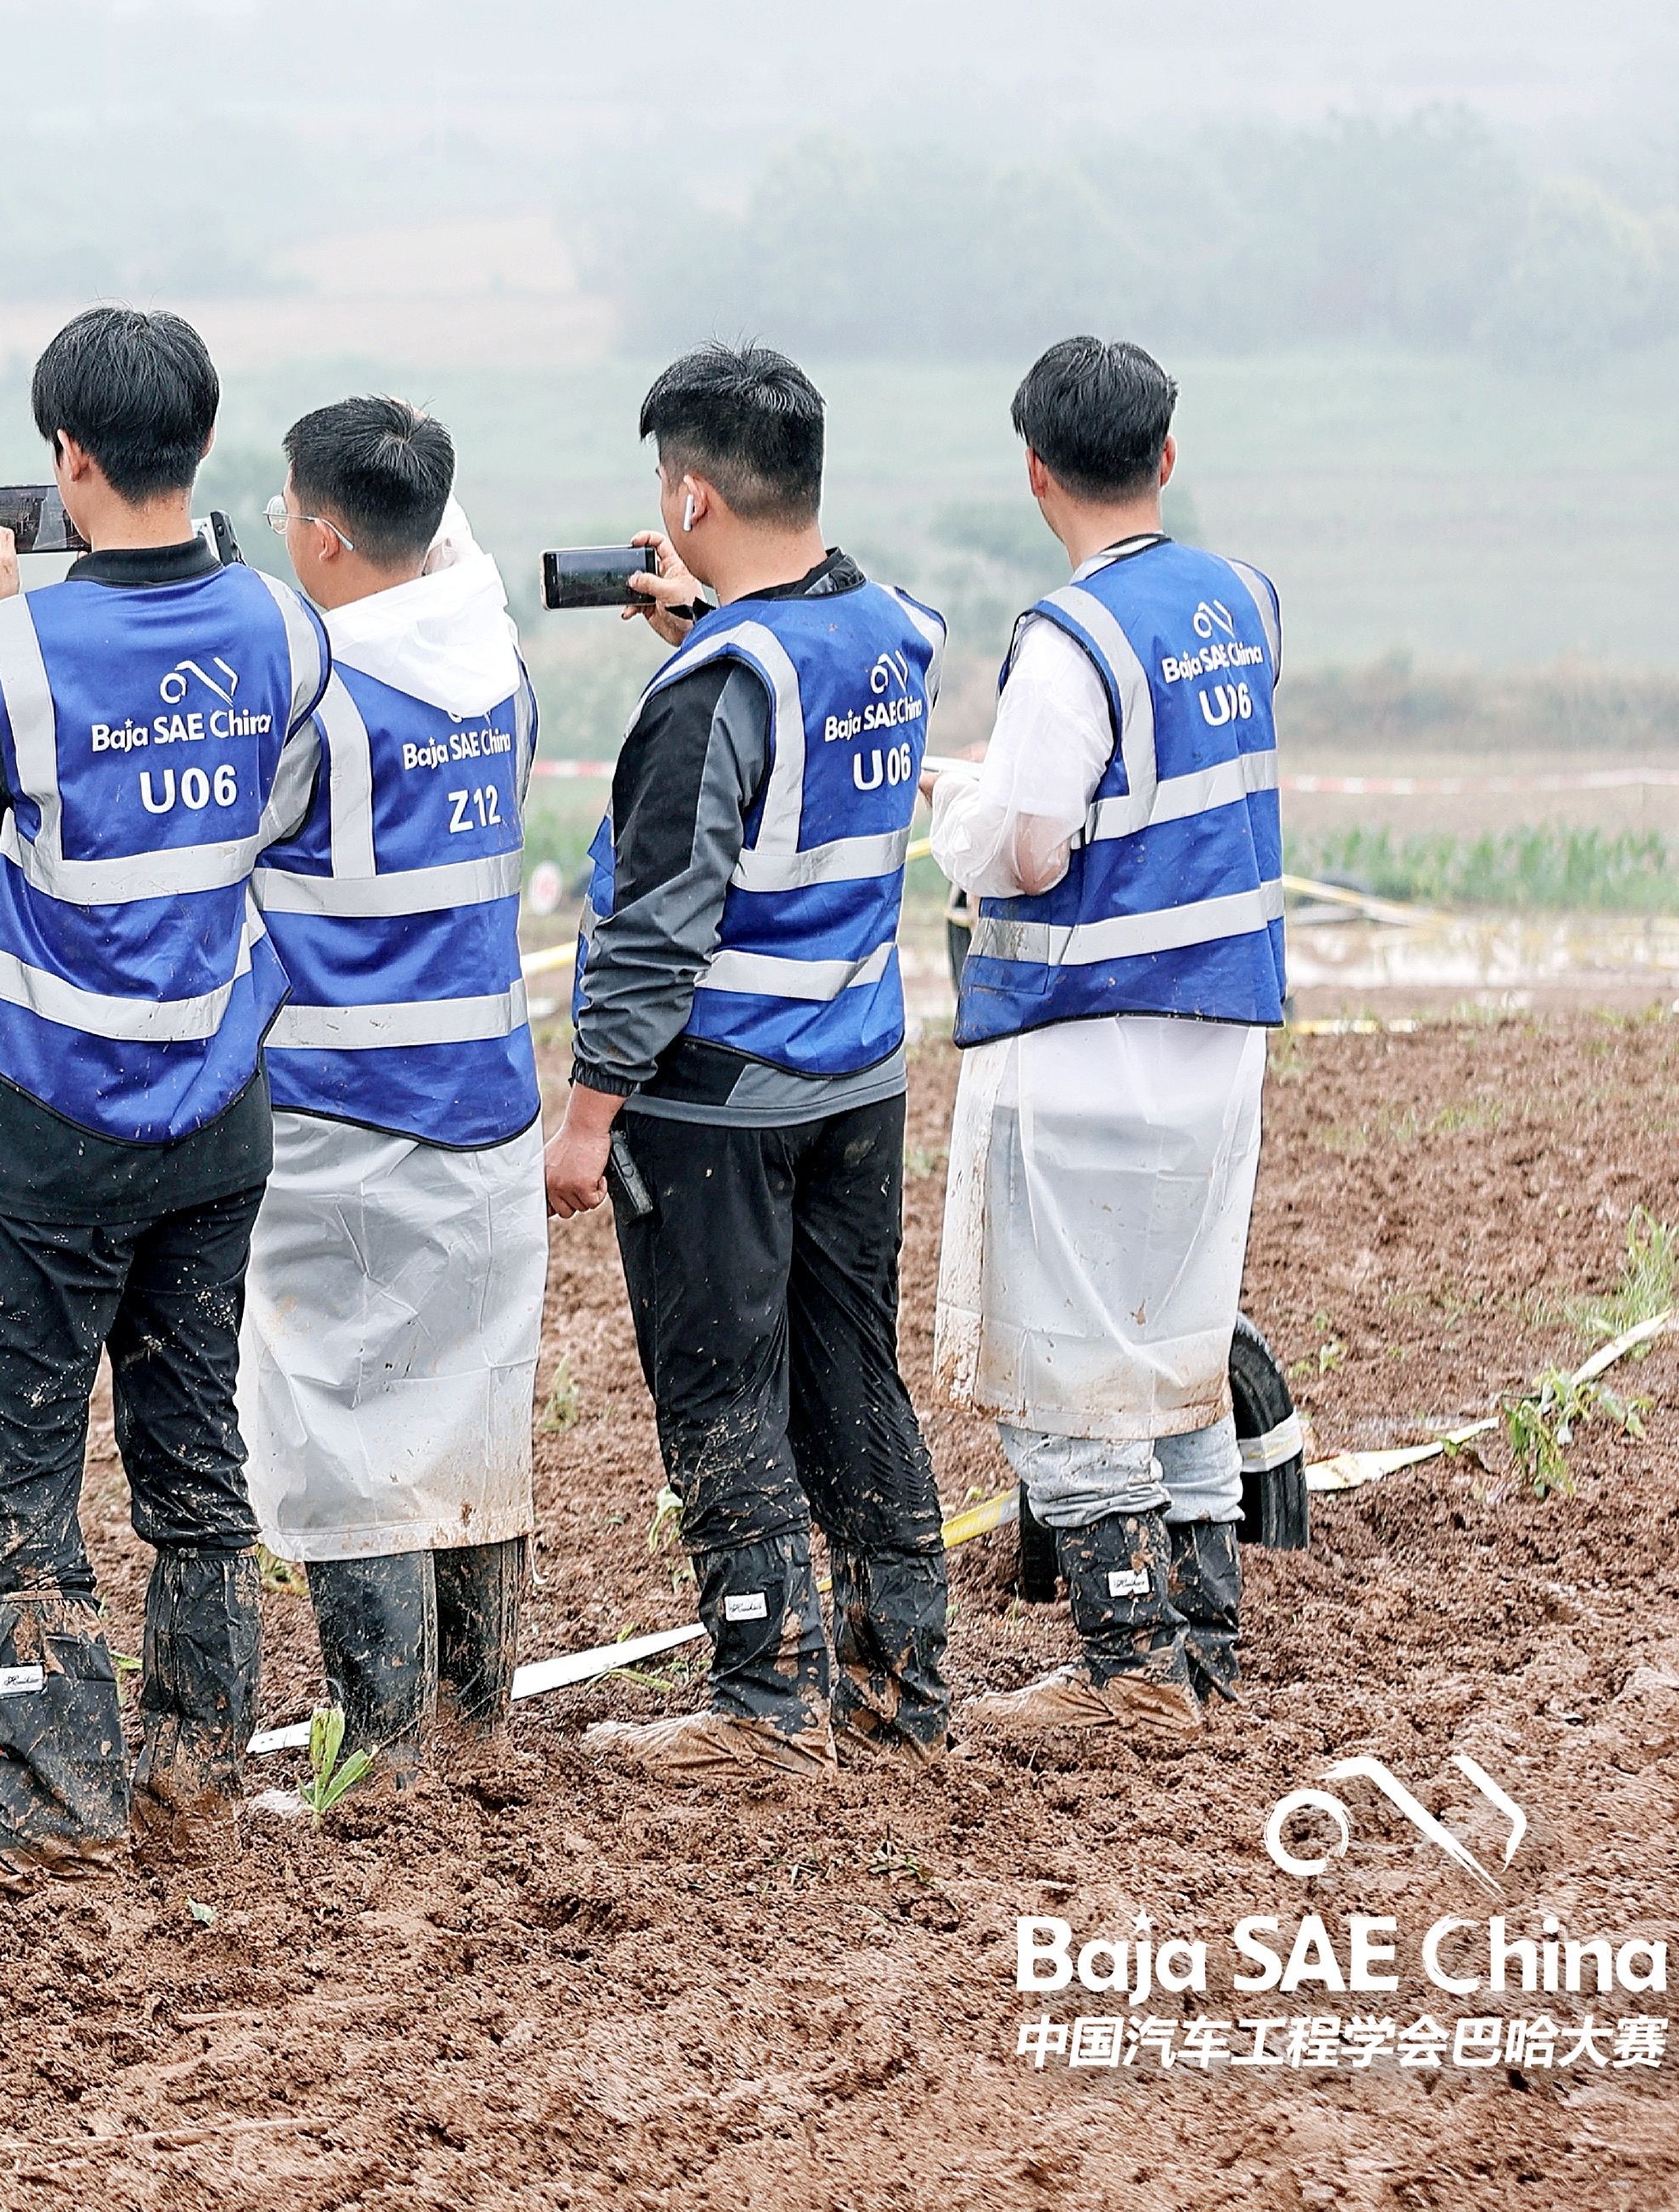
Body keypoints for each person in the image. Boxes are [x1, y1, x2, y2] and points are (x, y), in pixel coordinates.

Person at [0, 307, 330, 1866]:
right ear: (202, 449)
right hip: (218, 1107)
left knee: (22, 1449)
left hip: (55, 1112)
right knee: (193, 1432)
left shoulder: (13, 649)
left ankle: (57, 1789)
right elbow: (277, 818)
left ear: (67, 461)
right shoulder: (289, 631)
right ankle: (198, 1763)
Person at [543, 342, 954, 1782]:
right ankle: (903, 1676)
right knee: (855, 1375)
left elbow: (659, 928)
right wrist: (705, 625)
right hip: (858, 1077)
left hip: (715, 1096)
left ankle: (764, 1699)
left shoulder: (716, 688)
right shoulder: (897, 627)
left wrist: (587, 1118)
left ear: (692, 491)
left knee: (721, 1387)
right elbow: (806, 760)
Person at [929, 336, 1284, 1748]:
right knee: (1176, 1333)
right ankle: (1204, 1633)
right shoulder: (1245, 600)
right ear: (1168, 456)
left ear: (1035, 470)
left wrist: (959, 817)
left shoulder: (1071, 637)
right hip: (1219, 1036)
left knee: (1063, 1358)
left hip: (1084, 1041)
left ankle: (1130, 1649)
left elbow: (1026, 845)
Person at [239, 397, 547, 1786]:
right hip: (486, 1101)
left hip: (341, 1113)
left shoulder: (312, 696)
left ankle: (387, 1752)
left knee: (345, 1432)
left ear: (319, 532)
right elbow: (444, 564)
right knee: (471, 1410)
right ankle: (478, 1726)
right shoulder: (498, 668)